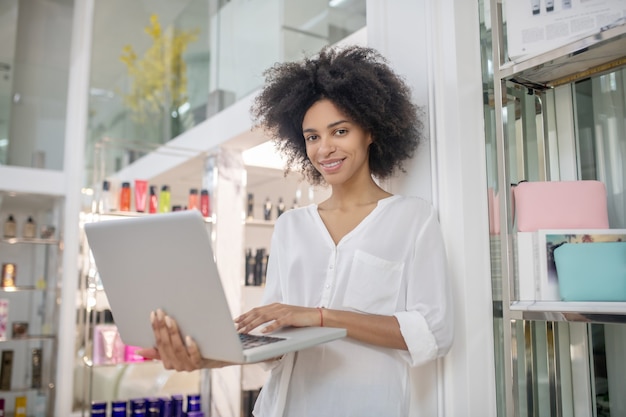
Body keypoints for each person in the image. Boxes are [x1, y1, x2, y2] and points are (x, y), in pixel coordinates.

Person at [138, 44, 454, 417]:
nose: (325, 149)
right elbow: (277, 346)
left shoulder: (412, 219)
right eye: (313, 136)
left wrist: (320, 316)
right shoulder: (291, 226)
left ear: (370, 130)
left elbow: (433, 332)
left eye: (340, 131)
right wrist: (210, 358)